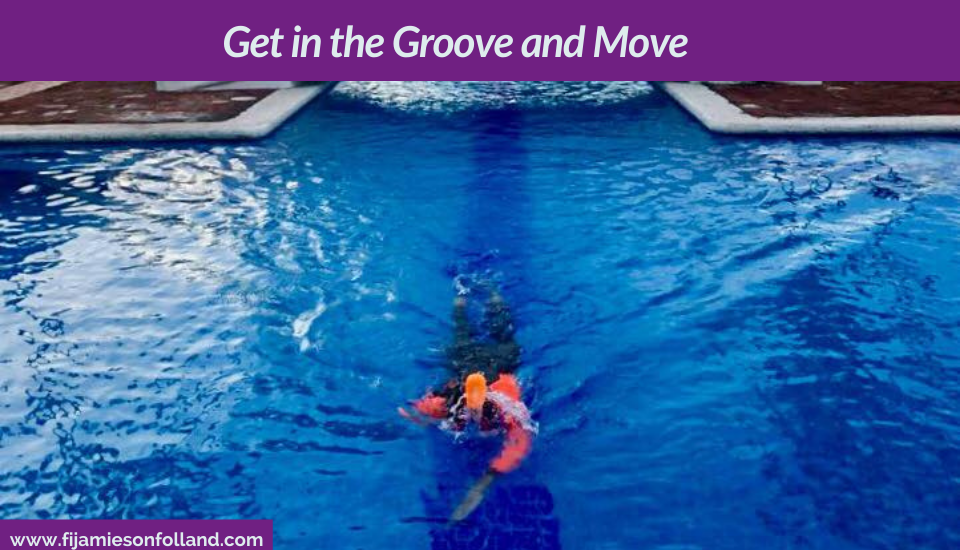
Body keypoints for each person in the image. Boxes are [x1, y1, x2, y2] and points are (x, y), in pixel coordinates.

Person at [398, 291, 536, 521]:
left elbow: (519, 442)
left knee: (498, 336)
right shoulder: (445, 399)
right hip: (467, 360)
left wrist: (482, 484)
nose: (474, 413)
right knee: (467, 334)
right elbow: (413, 411)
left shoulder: (507, 398)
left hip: (500, 362)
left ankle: (490, 297)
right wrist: (417, 419)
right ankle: (462, 301)